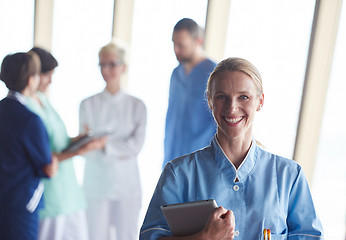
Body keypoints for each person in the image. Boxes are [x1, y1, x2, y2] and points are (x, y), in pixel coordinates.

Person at [140, 57, 324, 239]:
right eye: (222, 97)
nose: (232, 108)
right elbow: (151, 237)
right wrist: (204, 237)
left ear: (260, 101)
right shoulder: (178, 174)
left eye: (243, 97)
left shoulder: (289, 177)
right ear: (210, 101)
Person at [26, 47, 107, 240]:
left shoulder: (43, 101)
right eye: (47, 75)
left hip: (69, 193)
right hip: (51, 194)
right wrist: (80, 151)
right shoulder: (26, 108)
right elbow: (41, 155)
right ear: (34, 75)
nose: (51, 81)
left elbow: (56, 140)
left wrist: (78, 140)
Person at [79, 41, 147, 240]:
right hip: (96, 185)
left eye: (112, 64)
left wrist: (103, 143)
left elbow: (135, 146)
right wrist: (114, 146)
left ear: (123, 67)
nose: (106, 70)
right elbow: (85, 145)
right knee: (96, 235)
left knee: (127, 235)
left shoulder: (137, 106)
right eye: (102, 65)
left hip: (126, 185)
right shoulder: (87, 104)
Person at [0, 52, 58, 240]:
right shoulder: (29, 119)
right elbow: (46, 167)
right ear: (31, 80)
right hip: (21, 204)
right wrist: (54, 162)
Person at [163, 18, 217, 168]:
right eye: (174, 43)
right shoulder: (176, 74)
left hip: (200, 162)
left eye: (181, 45)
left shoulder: (214, 74)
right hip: (173, 158)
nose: (176, 50)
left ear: (198, 41)